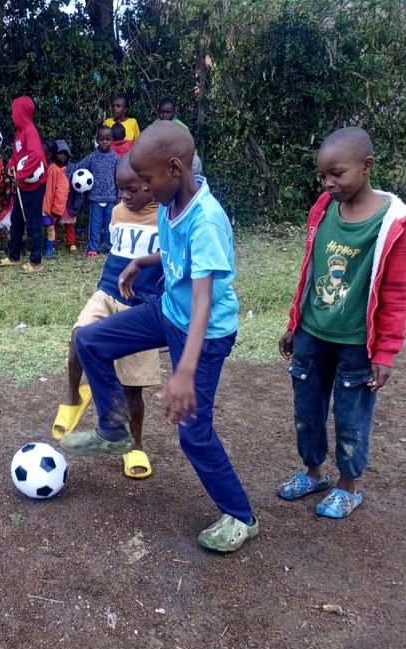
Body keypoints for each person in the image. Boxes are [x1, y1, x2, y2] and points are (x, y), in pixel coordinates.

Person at [60, 121, 258, 553]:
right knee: (89, 340)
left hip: (204, 333)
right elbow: (174, 256)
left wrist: (184, 370)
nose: (144, 189)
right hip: (168, 311)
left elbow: (203, 300)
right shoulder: (171, 202)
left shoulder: (206, 220)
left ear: (174, 168)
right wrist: (141, 262)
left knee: (193, 433)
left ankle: (241, 516)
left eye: (148, 181)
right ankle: (113, 429)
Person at [276, 126, 406, 518]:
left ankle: (347, 486)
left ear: (367, 166)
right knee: (307, 410)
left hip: (358, 342)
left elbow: (396, 293)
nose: (328, 183)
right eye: (323, 175)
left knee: (351, 417)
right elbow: (310, 270)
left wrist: (385, 352)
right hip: (312, 332)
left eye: (337, 174)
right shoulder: (323, 209)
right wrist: (294, 322)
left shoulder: (394, 224)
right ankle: (314, 473)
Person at [53, 154, 162, 479]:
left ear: (151, 185)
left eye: (132, 189)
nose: (124, 196)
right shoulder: (116, 212)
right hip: (108, 292)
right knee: (79, 336)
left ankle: (134, 444)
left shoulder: (168, 218)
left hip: (141, 308)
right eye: (120, 189)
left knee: (132, 388)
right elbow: (116, 252)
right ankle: (74, 397)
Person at [0, 96, 47, 273]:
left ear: (22, 113)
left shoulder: (30, 131)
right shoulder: (19, 132)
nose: (13, 116)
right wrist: (11, 166)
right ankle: (14, 256)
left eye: (15, 112)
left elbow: (36, 156)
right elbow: (18, 155)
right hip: (22, 185)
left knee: (33, 222)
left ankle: (36, 261)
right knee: (16, 219)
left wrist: (21, 174)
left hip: (34, 185)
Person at [73, 125, 119, 256]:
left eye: (107, 139)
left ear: (112, 140)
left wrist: (119, 195)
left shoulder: (115, 158)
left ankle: (110, 247)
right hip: (95, 198)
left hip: (111, 199)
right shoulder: (92, 156)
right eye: (101, 139)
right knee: (95, 224)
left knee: (110, 225)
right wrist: (68, 169)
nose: (104, 142)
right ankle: (93, 247)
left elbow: (119, 177)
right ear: (97, 140)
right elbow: (79, 166)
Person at [41, 138, 69, 259]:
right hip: (38, 205)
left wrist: (56, 209)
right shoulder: (39, 168)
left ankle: (49, 249)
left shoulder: (57, 171)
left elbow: (61, 191)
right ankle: (41, 247)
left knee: (50, 228)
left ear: (48, 155)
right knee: (39, 227)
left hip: (48, 207)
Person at [53, 140, 78, 252]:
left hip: (68, 200)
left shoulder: (71, 168)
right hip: (56, 200)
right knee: (53, 222)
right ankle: (53, 242)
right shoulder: (52, 168)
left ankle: (71, 242)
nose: (63, 156)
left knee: (69, 222)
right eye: (60, 153)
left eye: (65, 153)